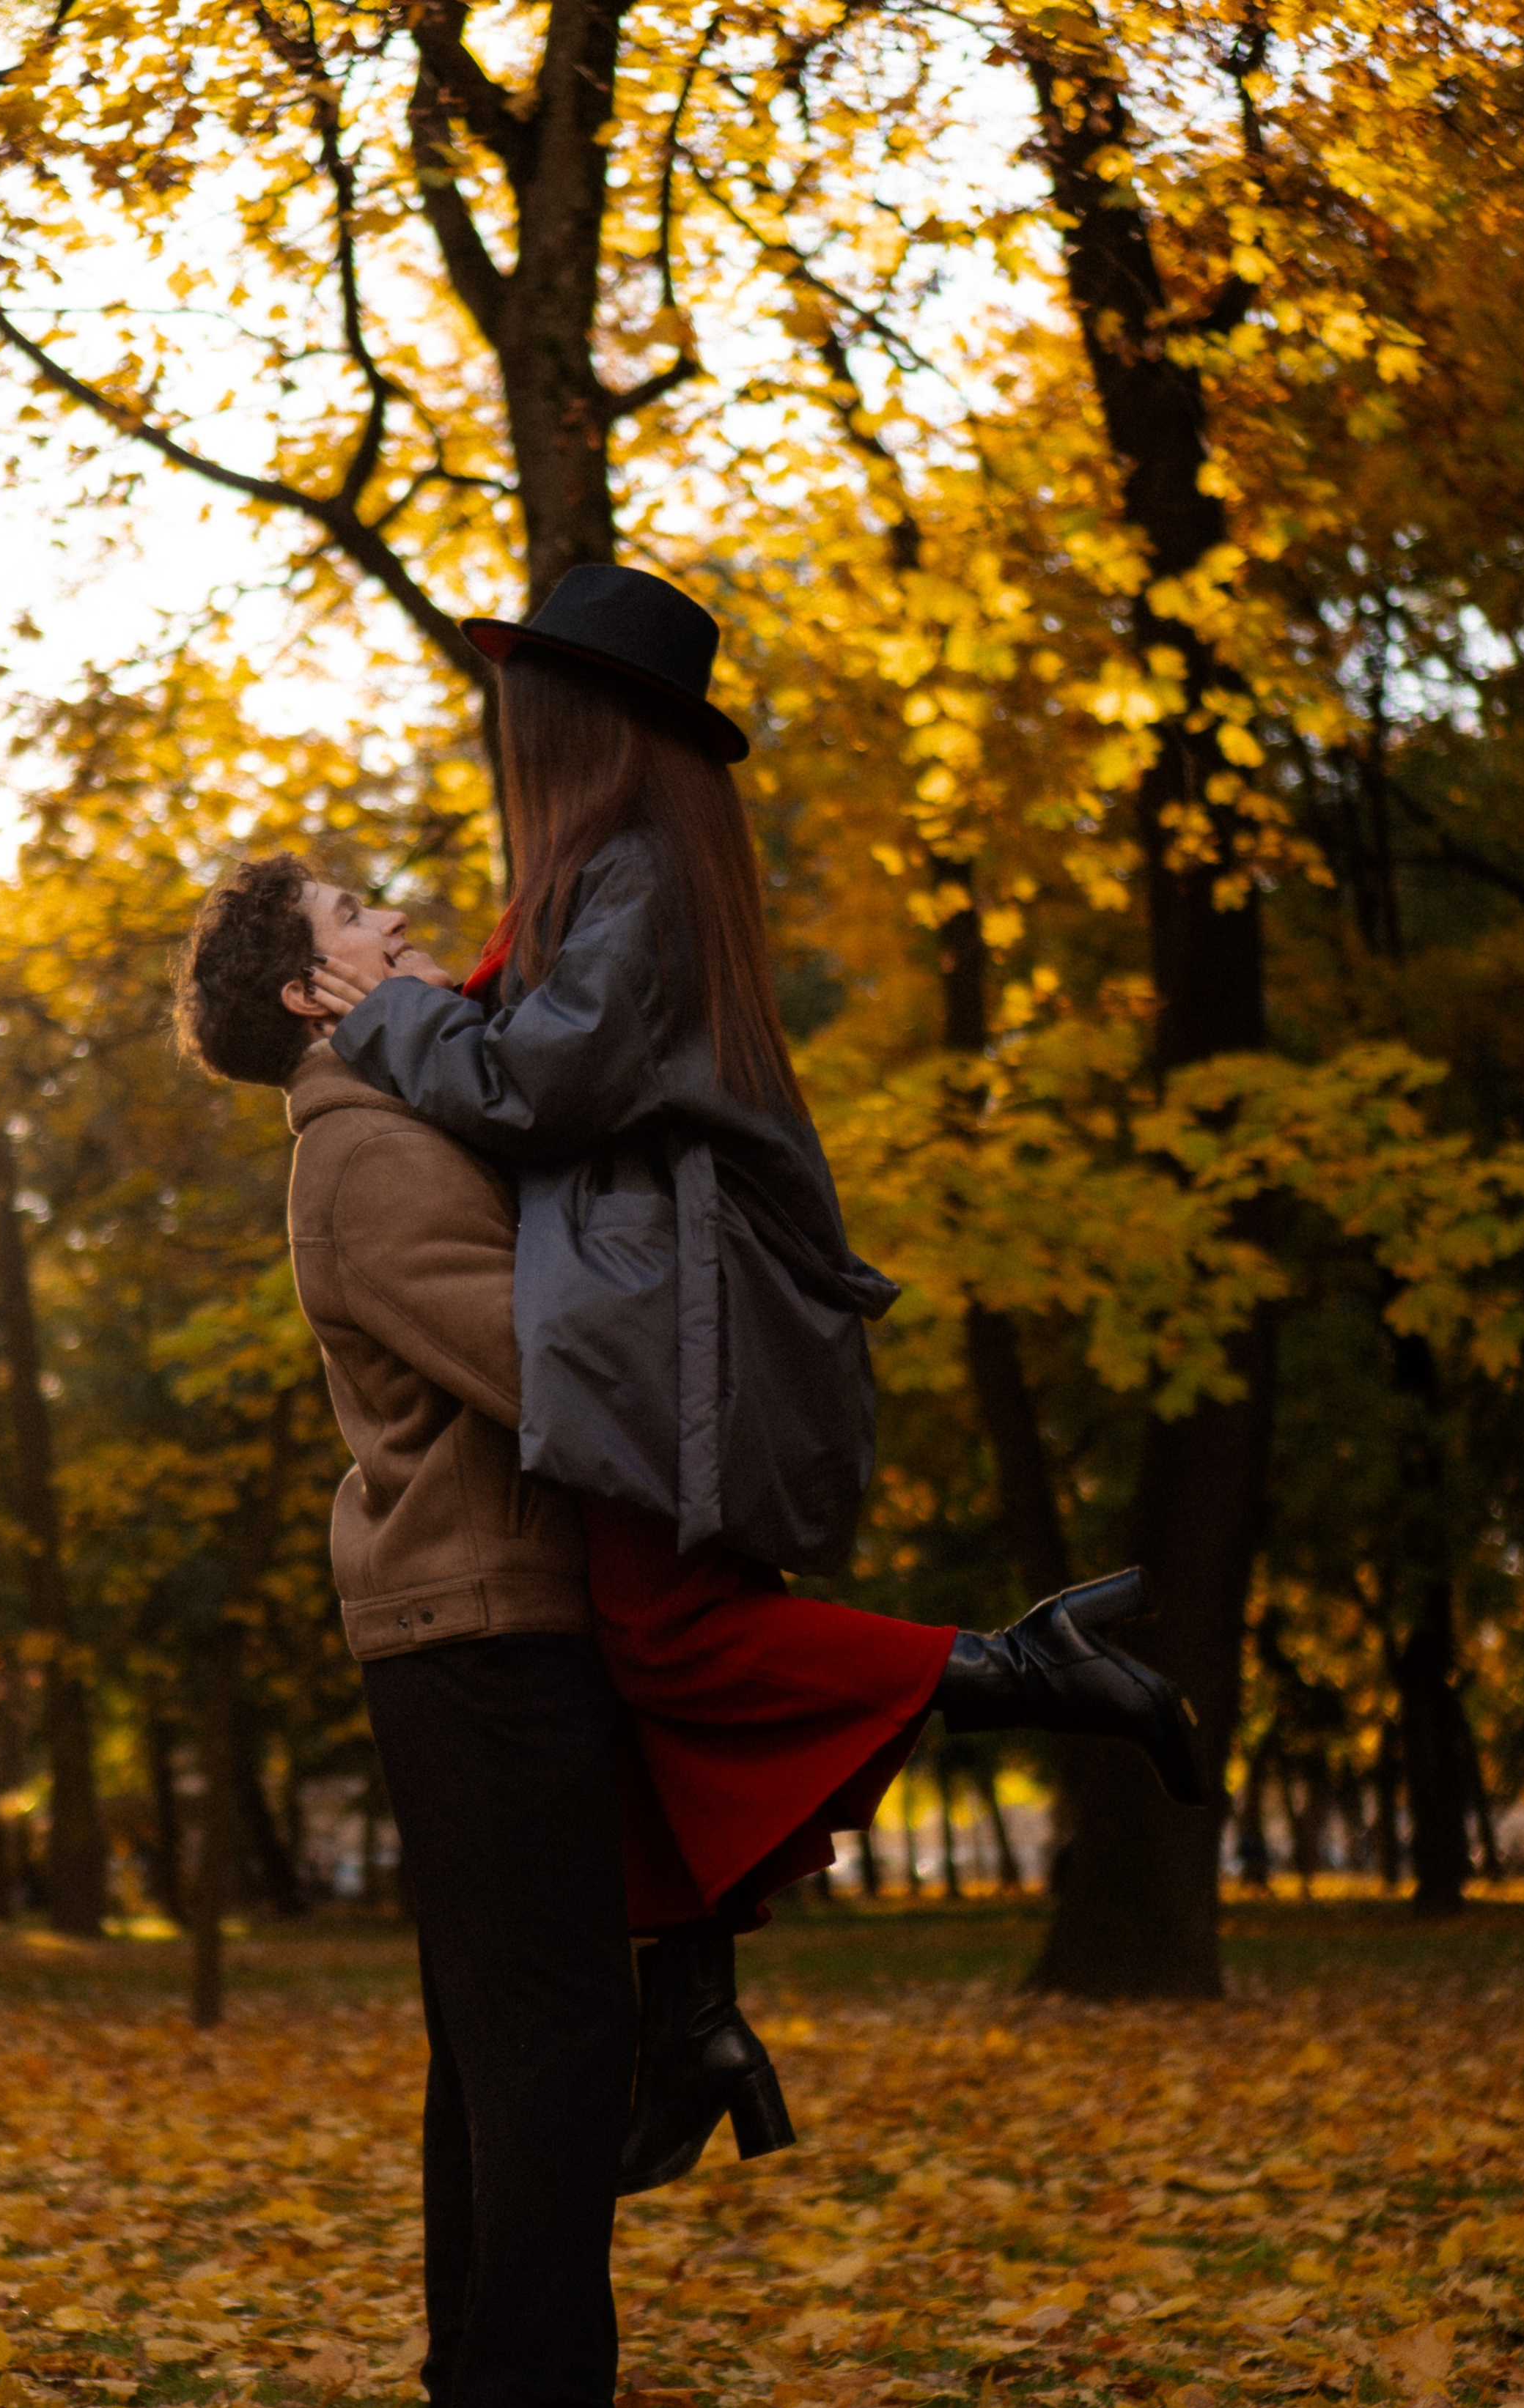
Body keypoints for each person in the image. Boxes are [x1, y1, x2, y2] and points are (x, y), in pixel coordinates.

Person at [301, 565, 1206, 2190]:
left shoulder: (631, 869)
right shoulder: (610, 871)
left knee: (666, 1636)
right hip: (656, 1312)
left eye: (523, 703)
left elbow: (541, 1087)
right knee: (633, 1664)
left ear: (574, 720)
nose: (506, 729)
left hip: (663, 1327)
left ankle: (1025, 1666)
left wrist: (381, 1026)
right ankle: (695, 2011)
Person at [173, 860, 760, 2408]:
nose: (400, 921)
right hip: (476, 1634)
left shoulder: (399, 1123)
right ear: (307, 992)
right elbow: (550, 1370)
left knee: (509, 2057)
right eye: (360, 915)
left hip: (494, 1624)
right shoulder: (364, 1155)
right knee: (552, 2050)